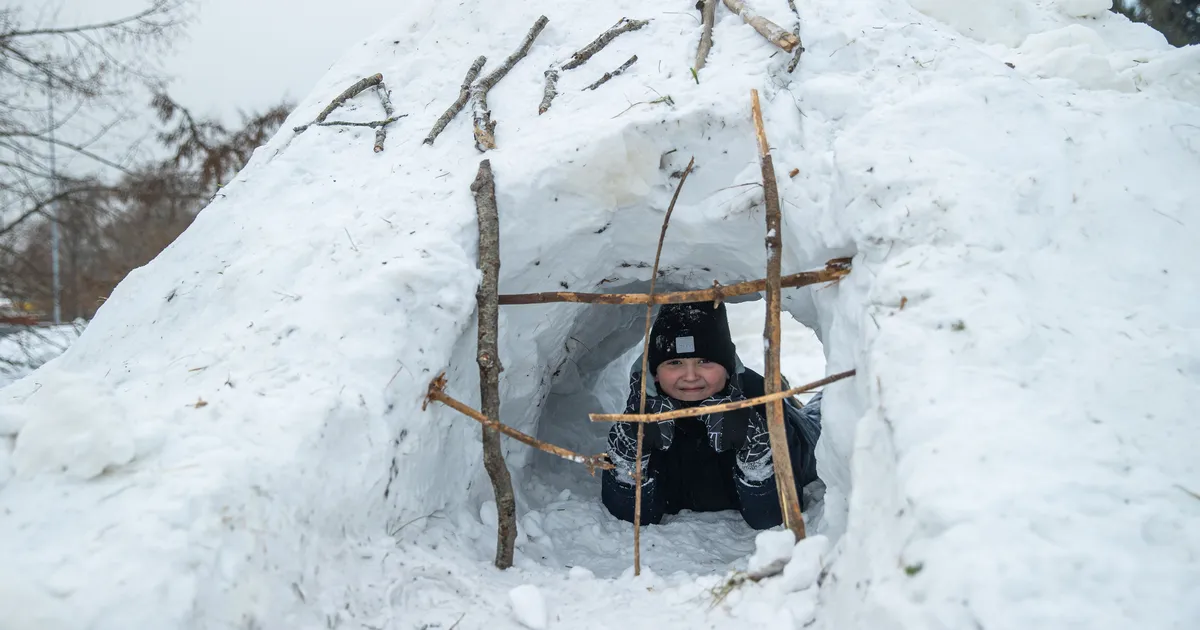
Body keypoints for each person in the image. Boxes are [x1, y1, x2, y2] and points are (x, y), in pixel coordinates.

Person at [601, 301, 823, 530]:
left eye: (704, 361)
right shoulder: (641, 411)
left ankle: (789, 395)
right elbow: (630, 516)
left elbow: (773, 517)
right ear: (655, 372)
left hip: (802, 429)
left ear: (728, 368)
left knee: (825, 409)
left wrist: (756, 450)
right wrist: (629, 457)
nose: (690, 376)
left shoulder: (759, 401)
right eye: (675, 362)